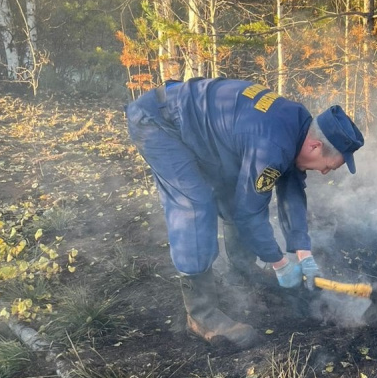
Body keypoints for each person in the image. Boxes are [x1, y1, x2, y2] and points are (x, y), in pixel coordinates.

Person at [126, 78, 364, 349]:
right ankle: (201, 314)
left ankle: (242, 272)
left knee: (232, 191)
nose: (324, 172)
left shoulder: (299, 124)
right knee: (194, 204)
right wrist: (278, 262)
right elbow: (249, 214)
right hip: (159, 123)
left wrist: (302, 248)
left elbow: (293, 187)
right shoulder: (272, 146)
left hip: (193, 124)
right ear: (315, 146)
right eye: (329, 167)